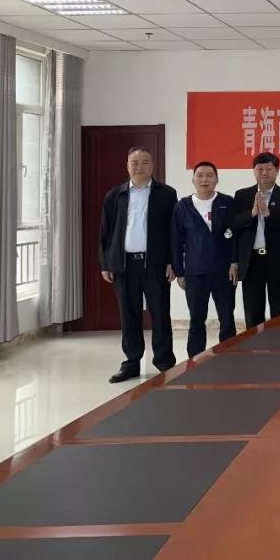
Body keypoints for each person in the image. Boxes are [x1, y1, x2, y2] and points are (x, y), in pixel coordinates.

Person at [99, 146, 178, 383]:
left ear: (152, 166)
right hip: (124, 265)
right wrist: (106, 263)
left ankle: (164, 362)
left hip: (155, 264)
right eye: (135, 162)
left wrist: (172, 261)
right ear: (127, 166)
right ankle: (132, 363)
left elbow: (173, 231)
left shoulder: (166, 194)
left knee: (160, 314)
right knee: (129, 314)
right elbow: (105, 232)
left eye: (145, 162)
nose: (139, 167)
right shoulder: (115, 195)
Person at [171, 161, 239, 358]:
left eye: (209, 175)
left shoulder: (227, 202)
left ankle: (229, 357)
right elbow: (175, 240)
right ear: (193, 180)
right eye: (200, 175)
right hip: (195, 272)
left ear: (216, 179)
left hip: (223, 271)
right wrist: (179, 272)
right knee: (196, 318)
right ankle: (195, 360)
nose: (204, 179)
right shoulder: (182, 206)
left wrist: (235, 262)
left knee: (227, 318)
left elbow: (236, 235)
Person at [231, 152, 280, 328]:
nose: (264, 173)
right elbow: (233, 224)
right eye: (260, 169)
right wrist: (252, 213)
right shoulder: (242, 195)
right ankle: (255, 344)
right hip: (252, 261)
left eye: (269, 168)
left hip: (278, 260)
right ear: (254, 171)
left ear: (277, 171)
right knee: (253, 312)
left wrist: (268, 213)